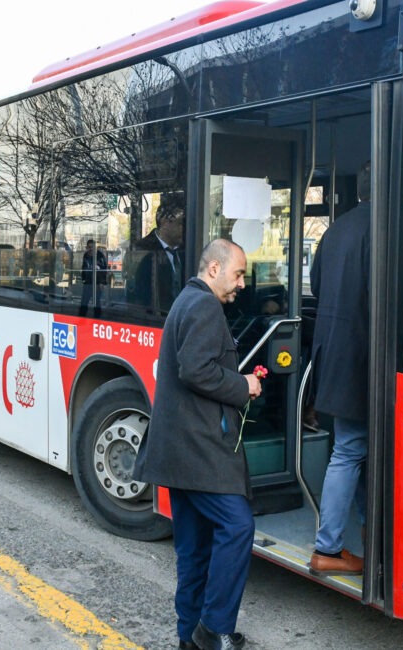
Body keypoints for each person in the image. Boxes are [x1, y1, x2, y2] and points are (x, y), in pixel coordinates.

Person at [132, 239, 263, 650]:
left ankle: (188, 634)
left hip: (177, 452)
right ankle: (213, 628)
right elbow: (196, 371)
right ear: (213, 269)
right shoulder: (205, 305)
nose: (241, 284)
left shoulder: (188, 299)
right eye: (237, 274)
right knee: (238, 526)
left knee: (193, 550)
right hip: (199, 450)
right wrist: (244, 384)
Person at [308, 161, 371, 576]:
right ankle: (327, 547)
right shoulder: (387, 228)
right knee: (350, 450)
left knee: (356, 449)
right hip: (363, 360)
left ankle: (368, 536)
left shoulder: (337, 230)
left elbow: (316, 285)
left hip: (333, 355)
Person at [126, 192, 186, 312]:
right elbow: (137, 298)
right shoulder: (142, 249)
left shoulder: (185, 250)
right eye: (179, 224)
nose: (183, 228)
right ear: (164, 222)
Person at [79, 237, 108, 314]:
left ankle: (97, 317)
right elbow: (84, 267)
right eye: (89, 247)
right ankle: (81, 317)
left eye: (92, 247)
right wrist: (83, 279)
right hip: (88, 282)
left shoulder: (100, 256)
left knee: (96, 301)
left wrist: (102, 282)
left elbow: (104, 270)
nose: (90, 249)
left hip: (97, 283)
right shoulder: (86, 255)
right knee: (84, 301)